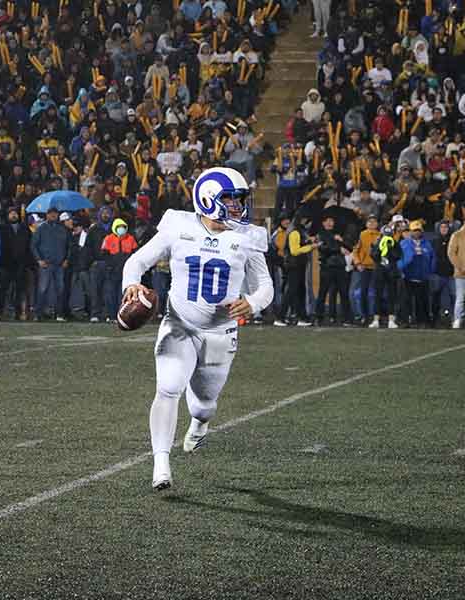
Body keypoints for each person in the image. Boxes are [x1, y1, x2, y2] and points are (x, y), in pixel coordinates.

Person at [120, 167, 273, 491]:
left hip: (221, 333)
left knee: (204, 404)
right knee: (168, 387)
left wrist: (254, 302)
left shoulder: (247, 237)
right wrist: (131, 283)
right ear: (207, 199)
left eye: (239, 200)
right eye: (230, 199)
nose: (237, 206)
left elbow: (265, 286)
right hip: (180, 323)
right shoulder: (178, 227)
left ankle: (200, 424)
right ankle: (161, 464)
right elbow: (137, 261)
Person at [274, 213, 317, 326]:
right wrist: (310, 247)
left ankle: (301, 317)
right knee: (291, 291)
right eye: (304, 219)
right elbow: (294, 251)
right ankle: (280, 317)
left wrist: (309, 242)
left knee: (300, 291)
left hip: (299, 265)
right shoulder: (294, 232)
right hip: (294, 265)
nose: (306, 222)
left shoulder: (299, 231)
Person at [30, 206, 70, 321]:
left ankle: (59, 314)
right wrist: (39, 260)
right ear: (46, 215)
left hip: (59, 264)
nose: (53, 215)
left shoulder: (63, 229)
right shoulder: (41, 228)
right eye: (51, 213)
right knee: (42, 289)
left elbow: (69, 246)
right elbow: (33, 245)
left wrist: (67, 259)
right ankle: (38, 314)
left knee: (61, 289)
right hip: (46, 264)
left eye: (55, 213)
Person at [315, 214, 353, 325]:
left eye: (331, 221)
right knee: (323, 292)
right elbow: (323, 249)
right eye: (327, 221)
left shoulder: (337, 234)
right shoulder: (320, 235)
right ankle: (319, 317)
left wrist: (341, 241)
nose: (329, 223)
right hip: (327, 266)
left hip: (340, 267)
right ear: (323, 223)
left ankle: (347, 318)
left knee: (344, 293)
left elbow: (349, 248)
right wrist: (338, 248)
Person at [0, 206, 32, 320]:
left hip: (20, 264)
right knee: (2, 289)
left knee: (19, 290)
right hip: (5, 263)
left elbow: (29, 246)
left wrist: (28, 262)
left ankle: (18, 312)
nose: (14, 215)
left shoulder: (24, 228)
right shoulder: (1, 228)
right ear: (7, 215)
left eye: (15, 213)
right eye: (11, 213)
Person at [398, 220, 435, 327]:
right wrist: (402, 268)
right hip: (408, 276)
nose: (417, 233)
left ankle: (422, 321)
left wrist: (429, 271)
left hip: (422, 276)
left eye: (419, 230)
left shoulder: (427, 243)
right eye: (414, 231)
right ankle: (405, 320)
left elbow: (432, 258)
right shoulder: (404, 243)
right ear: (410, 231)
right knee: (405, 301)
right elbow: (398, 258)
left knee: (422, 300)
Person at [101, 218, 138, 320]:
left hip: (125, 271)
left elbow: (135, 253)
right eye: (119, 227)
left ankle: (122, 315)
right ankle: (111, 315)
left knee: (122, 295)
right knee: (110, 294)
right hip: (112, 271)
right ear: (114, 228)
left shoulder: (131, 239)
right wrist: (111, 265)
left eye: (123, 227)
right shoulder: (108, 239)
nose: (121, 229)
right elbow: (104, 255)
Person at [352, 215, 380, 325]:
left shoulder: (381, 235)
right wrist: (358, 263)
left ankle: (375, 316)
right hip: (365, 267)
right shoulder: (362, 235)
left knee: (377, 293)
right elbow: (355, 250)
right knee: (363, 292)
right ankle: (364, 316)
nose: (372, 223)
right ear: (366, 224)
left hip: (377, 268)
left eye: (374, 221)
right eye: (370, 221)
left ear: (377, 224)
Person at [430, 220, 455, 325]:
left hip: (451, 273)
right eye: (442, 227)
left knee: (454, 296)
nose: (444, 229)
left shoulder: (453, 240)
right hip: (438, 273)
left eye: (446, 227)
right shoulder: (434, 241)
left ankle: (455, 318)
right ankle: (434, 318)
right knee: (435, 296)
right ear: (438, 229)